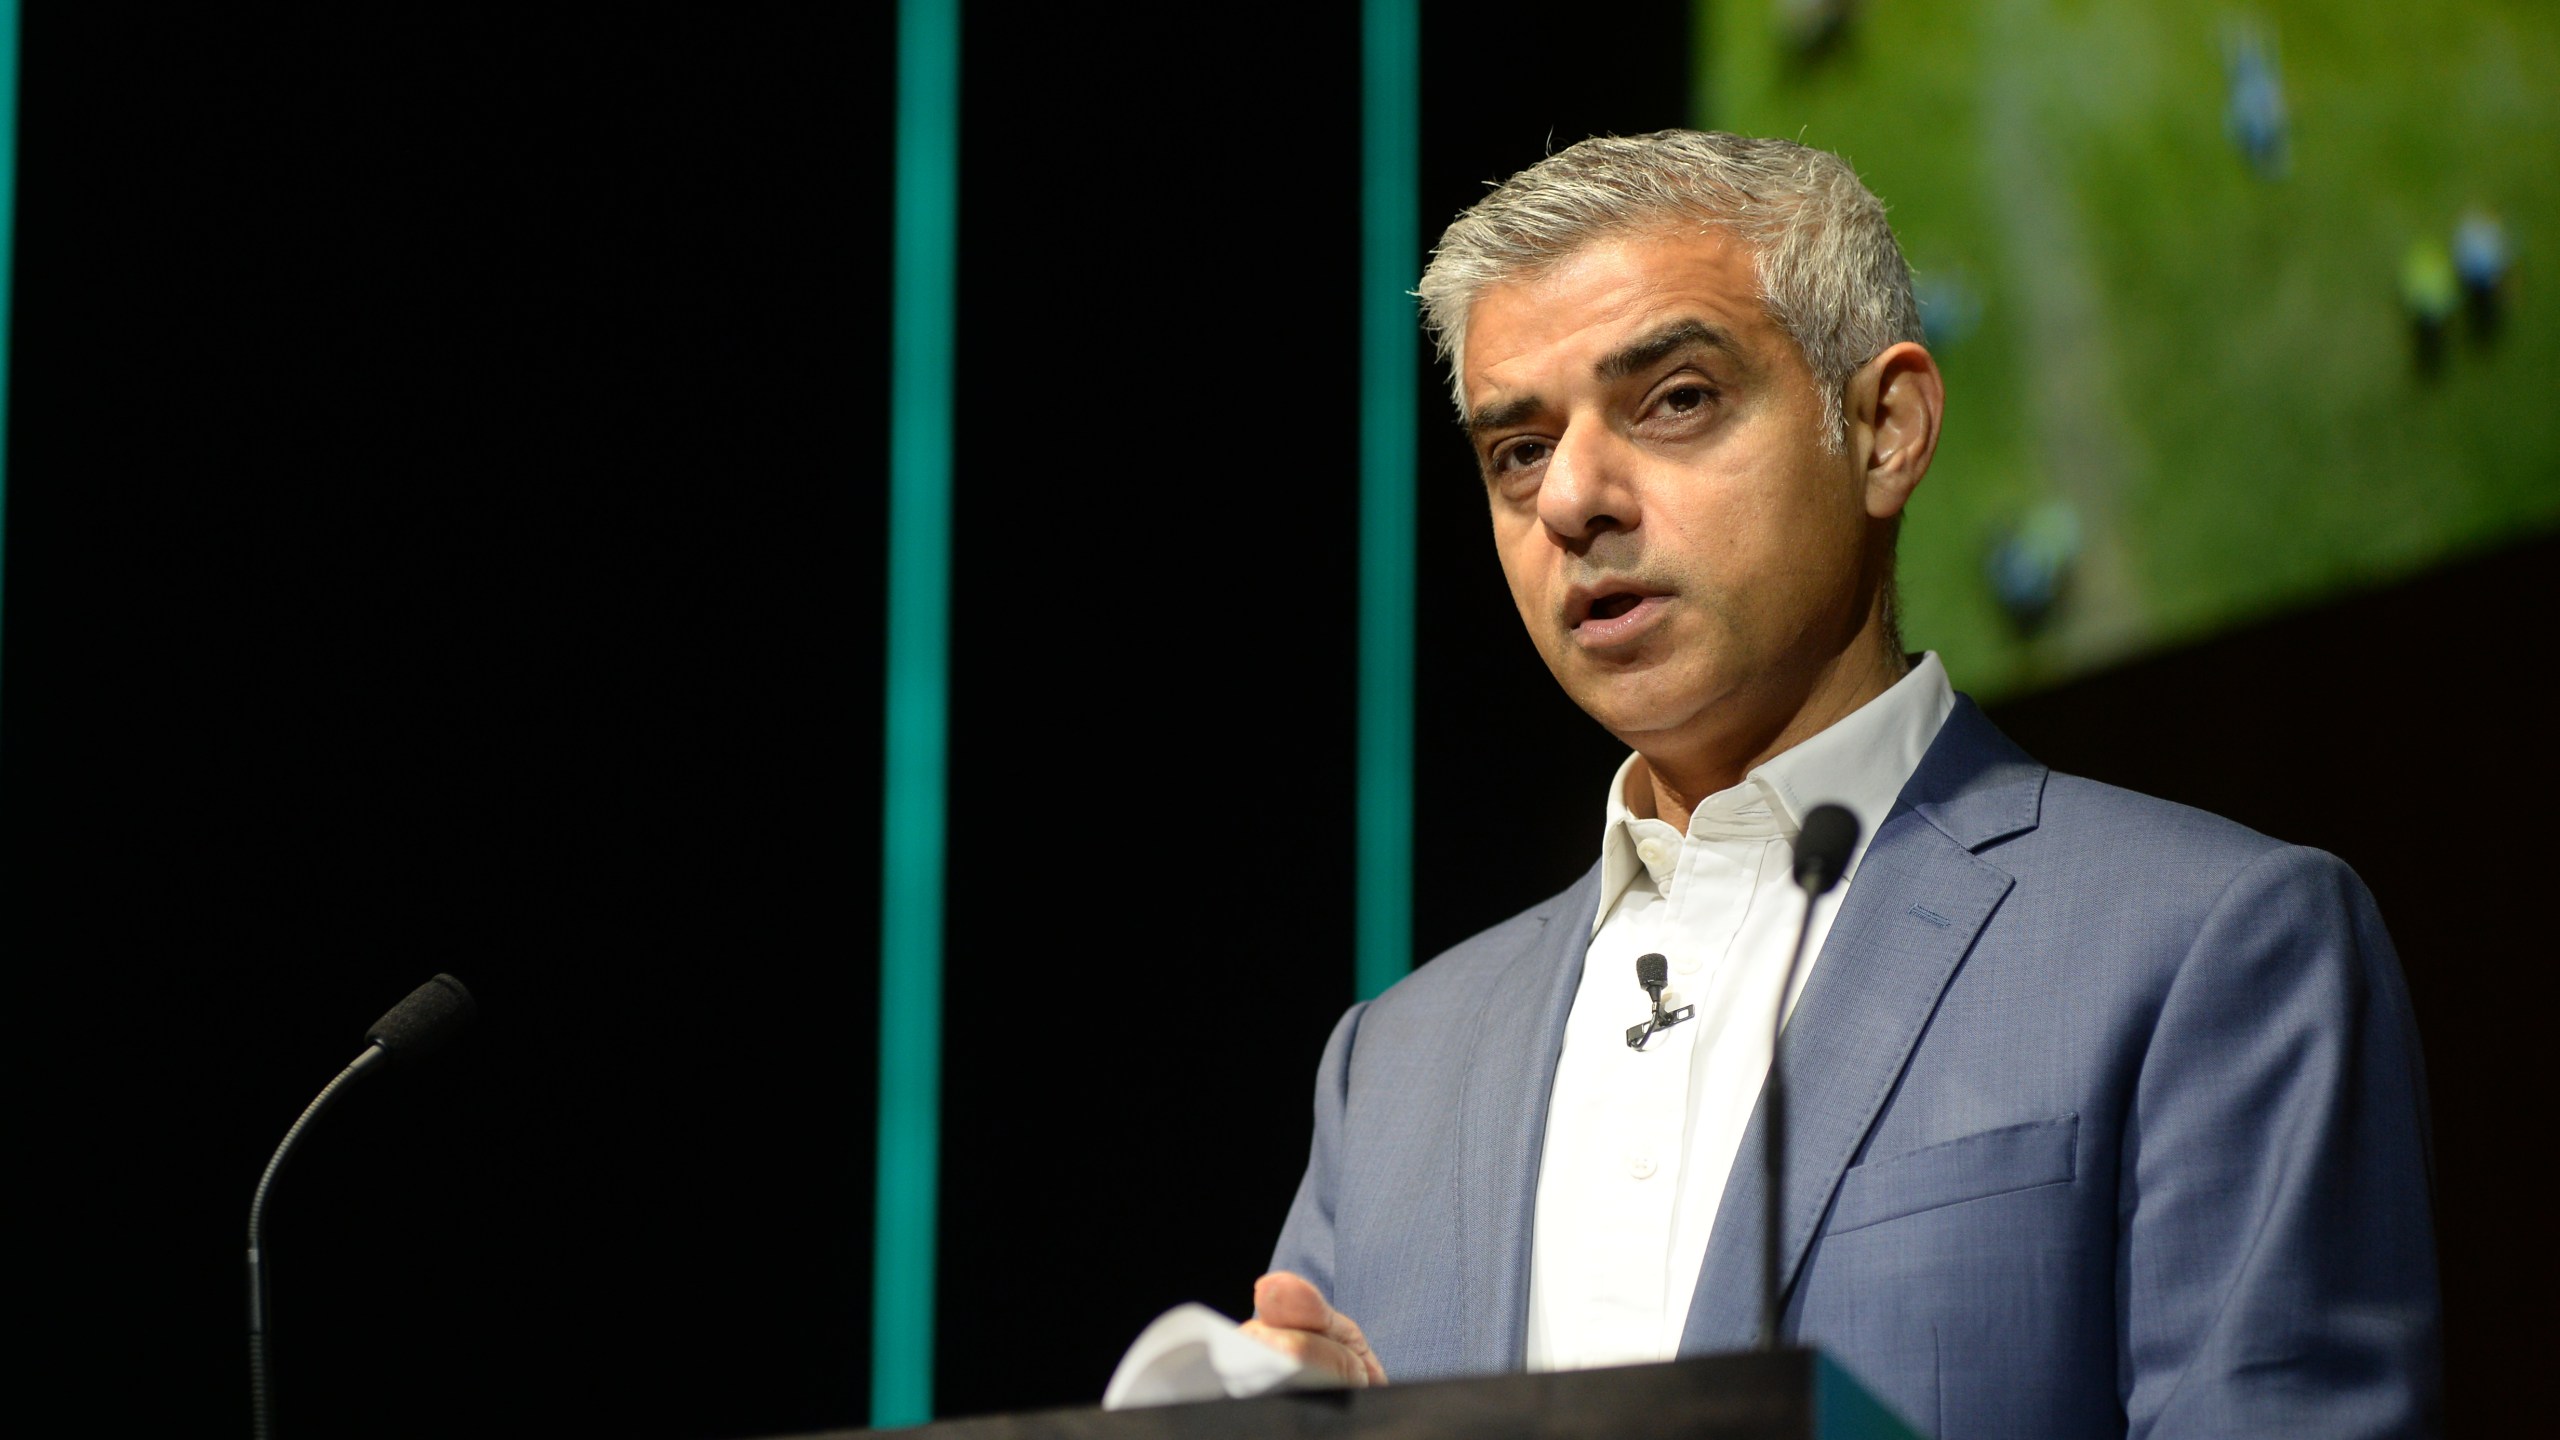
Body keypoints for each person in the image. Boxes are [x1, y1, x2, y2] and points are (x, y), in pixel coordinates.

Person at [1240, 131, 2438, 1438]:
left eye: (1675, 399)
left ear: (1885, 431)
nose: (1573, 496)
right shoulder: (1396, 1067)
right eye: (1517, 449)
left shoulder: (2209, 947)